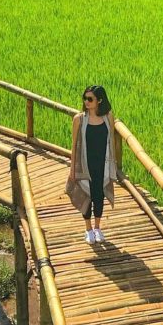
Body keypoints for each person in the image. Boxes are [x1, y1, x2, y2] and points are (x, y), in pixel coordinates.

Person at [65, 85, 117, 244]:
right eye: (85, 98)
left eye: (90, 99)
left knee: (99, 195)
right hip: (85, 164)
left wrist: (113, 165)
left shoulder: (108, 117)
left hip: (103, 164)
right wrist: (72, 168)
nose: (86, 102)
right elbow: (74, 146)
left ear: (99, 100)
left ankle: (97, 228)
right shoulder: (79, 119)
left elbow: (111, 141)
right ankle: (88, 229)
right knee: (86, 194)